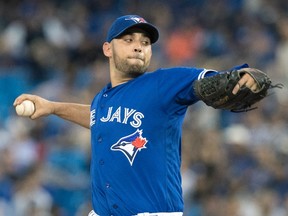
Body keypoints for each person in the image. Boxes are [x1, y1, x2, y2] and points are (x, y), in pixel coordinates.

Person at [14, 15, 262, 216]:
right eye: (128, 39)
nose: (138, 46)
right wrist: (52, 107)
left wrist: (245, 75)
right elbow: (98, 118)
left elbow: (215, 79)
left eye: (145, 42)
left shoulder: (163, 84)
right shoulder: (103, 98)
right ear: (107, 48)